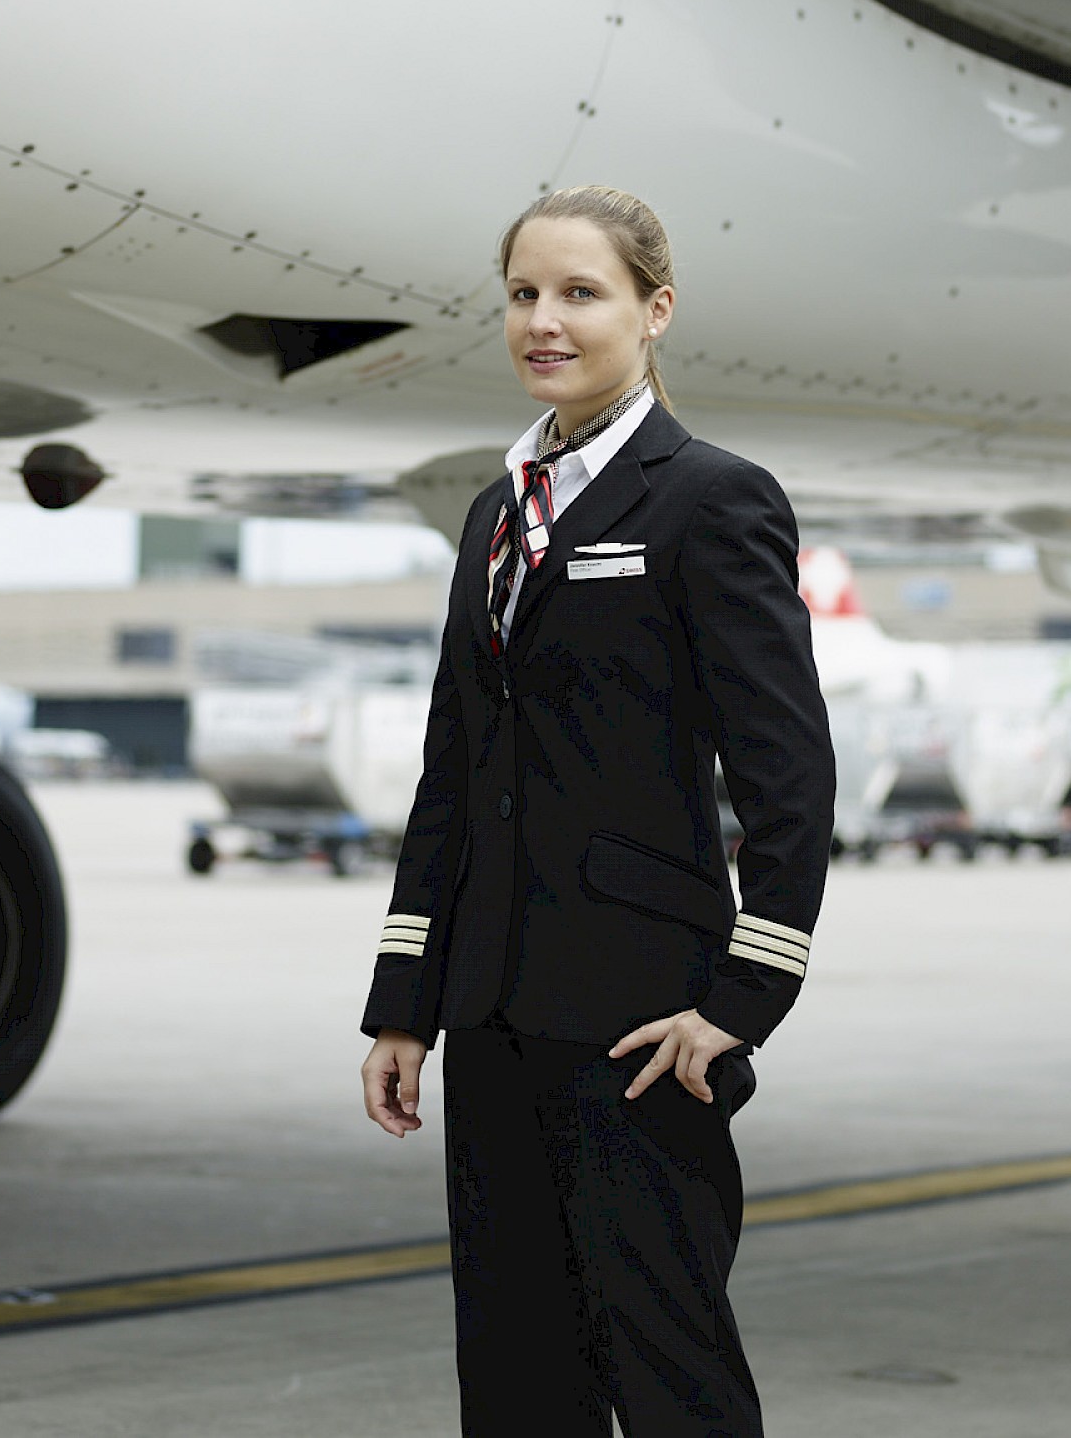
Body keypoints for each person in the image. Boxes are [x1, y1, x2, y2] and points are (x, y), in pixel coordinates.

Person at [359, 184, 835, 1437]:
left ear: (653, 309)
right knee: (514, 1379)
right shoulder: (493, 512)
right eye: (523, 294)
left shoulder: (708, 499)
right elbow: (451, 773)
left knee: (669, 1372)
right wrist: (404, 1003)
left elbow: (789, 779)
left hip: (645, 1025)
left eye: (580, 293)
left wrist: (743, 1002)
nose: (543, 322)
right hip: (494, 1012)